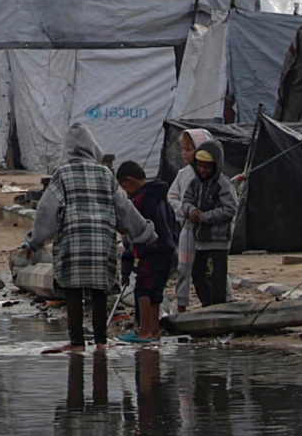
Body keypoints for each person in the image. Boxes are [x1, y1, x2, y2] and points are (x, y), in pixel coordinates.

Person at [22, 122, 154, 352]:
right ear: (93, 148)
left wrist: (35, 241)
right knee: (99, 293)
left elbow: (46, 213)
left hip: (72, 246)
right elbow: (124, 210)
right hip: (102, 246)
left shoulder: (62, 175)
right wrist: (144, 234)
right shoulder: (105, 175)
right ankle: (101, 342)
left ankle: (77, 342)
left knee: (72, 292)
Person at [115, 161, 177, 344]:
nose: (125, 191)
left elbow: (134, 229)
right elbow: (173, 222)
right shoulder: (161, 196)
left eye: (124, 186)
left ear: (130, 181)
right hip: (167, 249)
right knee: (156, 290)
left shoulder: (141, 199)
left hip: (151, 250)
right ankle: (154, 330)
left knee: (143, 288)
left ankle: (143, 331)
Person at [187, 140, 238, 307]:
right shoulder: (195, 182)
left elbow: (230, 208)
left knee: (217, 278)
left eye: (207, 167)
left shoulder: (223, 183)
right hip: (201, 240)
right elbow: (186, 200)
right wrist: (191, 211)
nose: (203, 170)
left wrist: (205, 217)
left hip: (218, 240)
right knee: (198, 275)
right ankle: (206, 306)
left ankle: (218, 308)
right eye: (200, 166)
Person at [166, 129, 204, 310]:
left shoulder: (213, 175)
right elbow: (172, 197)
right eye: (184, 149)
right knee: (184, 267)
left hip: (209, 231)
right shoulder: (183, 174)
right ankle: (182, 303)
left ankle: (222, 299)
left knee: (214, 267)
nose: (184, 153)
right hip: (188, 228)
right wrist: (184, 211)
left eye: (189, 149)